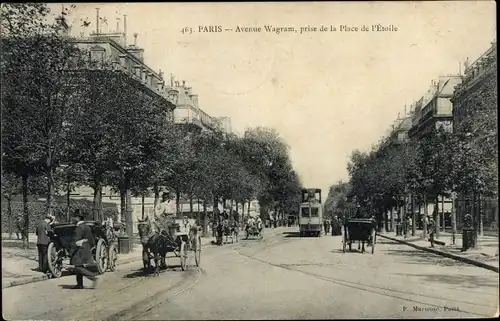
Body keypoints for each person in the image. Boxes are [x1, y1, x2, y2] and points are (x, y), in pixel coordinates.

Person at [70, 212, 100, 289]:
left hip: (80, 249)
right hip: (86, 248)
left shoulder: (79, 228)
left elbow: (75, 241)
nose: (72, 219)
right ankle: (79, 284)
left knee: (77, 267)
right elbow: (91, 239)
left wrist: (71, 251)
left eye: (74, 217)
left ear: (78, 218)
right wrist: (90, 246)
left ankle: (93, 277)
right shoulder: (86, 227)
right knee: (78, 266)